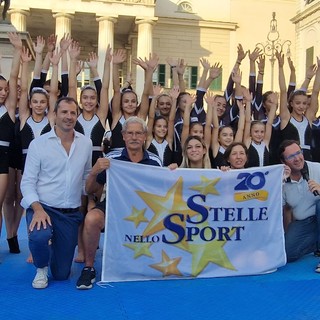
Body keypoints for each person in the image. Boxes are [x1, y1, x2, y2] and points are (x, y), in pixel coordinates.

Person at [76, 116, 161, 290]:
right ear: (123, 136)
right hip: (114, 205)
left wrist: (172, 172)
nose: (134, 137)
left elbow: (165, 188)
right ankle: (89, 267)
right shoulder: (112, 158)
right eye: (130, 133)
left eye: (138, 133)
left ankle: (160, 262)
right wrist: (93, 172)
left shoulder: (155, 161)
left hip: (145, 209)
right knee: (92, 219)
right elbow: (90, 189)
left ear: (145, 136)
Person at [20, 97, 92, 289]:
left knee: (61, 275)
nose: (69, 117)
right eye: (64, 112)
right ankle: (41, 268)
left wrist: (96, 183)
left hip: (69, 214)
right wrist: (37, 208)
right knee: (39, 236)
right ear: (54, 115)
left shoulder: (86, 144)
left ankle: (51, 250)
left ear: (77, 116)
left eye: (72, 113)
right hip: (43, 208)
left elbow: (85, 179)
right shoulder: (39, 144)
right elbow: (27, 182)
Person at [279, 140, 320, 269]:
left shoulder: (317, 168)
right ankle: (317, 244)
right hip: (305, 223)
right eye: (291, 156)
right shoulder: (282, 181)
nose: (297, 158)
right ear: (283, 161)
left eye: (298, 153)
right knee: (287, 254)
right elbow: (284, 210)